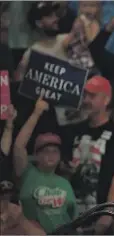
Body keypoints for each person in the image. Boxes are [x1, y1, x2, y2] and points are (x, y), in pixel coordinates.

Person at [61, 75, 114, 234]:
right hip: (72, 216)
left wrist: (108, 215)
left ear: (106, 100)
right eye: (85, 95)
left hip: (100, 216)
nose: (86, 100)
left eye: (92, 96)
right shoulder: (74, 131)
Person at [12, 95, 78, 234]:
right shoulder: (27, 173)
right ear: (36, 155)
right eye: (45, 150)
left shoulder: (65, 182)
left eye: (55, 151)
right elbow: (19, 146)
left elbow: (74, 220)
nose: (51, 154)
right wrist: (36, 113)